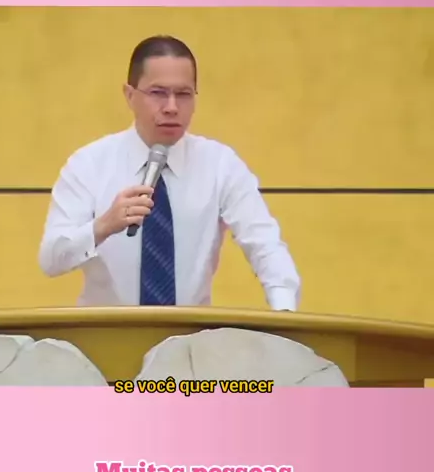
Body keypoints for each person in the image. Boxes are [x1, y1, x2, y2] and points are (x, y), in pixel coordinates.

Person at [39, 36, 301, 310]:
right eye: (158, 93)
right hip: (108, 331)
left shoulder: (221, 165)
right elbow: (50, 260)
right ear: (130, 95)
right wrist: (102, 226)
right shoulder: (89, 165)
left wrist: (284, 313)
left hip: (191, 333)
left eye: (184, 94)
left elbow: (265, 244)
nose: (172, 107)